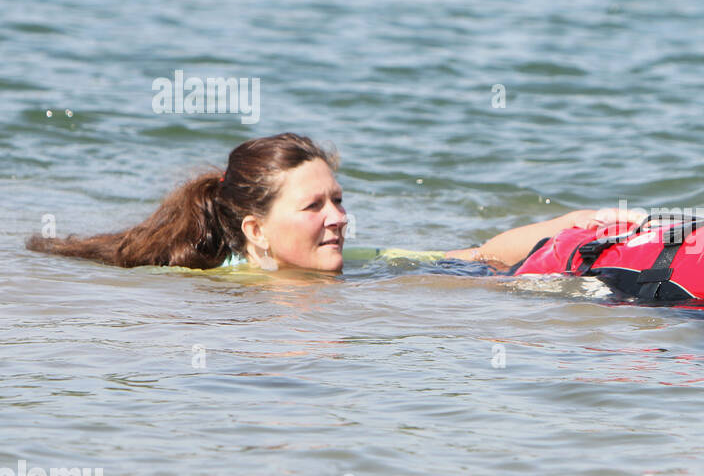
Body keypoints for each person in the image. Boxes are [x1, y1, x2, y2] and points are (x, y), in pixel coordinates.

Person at [25, 133, 632, 274]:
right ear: (255, 231)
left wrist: (579, 224)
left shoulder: (355, 260)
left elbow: (475, 256)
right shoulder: (228, 287)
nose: (338, 217)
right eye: (314, 206)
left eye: (337, 200)